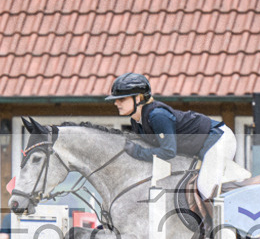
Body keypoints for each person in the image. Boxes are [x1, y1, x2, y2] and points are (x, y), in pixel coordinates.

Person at [105, 72, 247, 200]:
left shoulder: (157, 116)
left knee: (205, 187)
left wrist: (137, 152)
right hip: (201, 145)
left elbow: (168, 151)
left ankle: (221, 228)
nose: (116, 103)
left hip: (218, 139)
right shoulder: (136, 121)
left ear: (138, 98)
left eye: (121, 99)